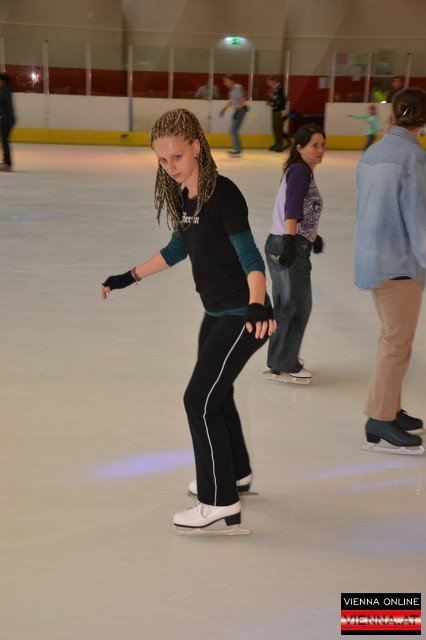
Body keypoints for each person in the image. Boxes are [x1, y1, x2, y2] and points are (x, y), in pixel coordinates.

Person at [101, 108, 275, 534]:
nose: (170, 166)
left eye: (176, 156)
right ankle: (236, 473)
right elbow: (177, 250)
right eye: (162, 160)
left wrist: (257, 305)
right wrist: (129, 276)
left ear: (196, 147)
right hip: (215, 314)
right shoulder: (186, 198)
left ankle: (219, 501)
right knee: (218, 393)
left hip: (243, 315)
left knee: (199, 400)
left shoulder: (223, 195)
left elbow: (251, 258)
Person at [354, 88, 426, 454]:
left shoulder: (373, 153)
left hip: (373, 260)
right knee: (396, 344)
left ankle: (391, 410)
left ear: (393, 116)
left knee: (394, 339)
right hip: (399, 264)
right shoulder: (413, 157)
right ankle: (379, 419)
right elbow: (419, 218)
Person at [264, 124, 325, 385]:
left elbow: (295, 208)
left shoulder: (297, 170)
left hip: (283, 241)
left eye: (322, 145)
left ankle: (280, 360)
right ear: (299, 148)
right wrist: (291, 241)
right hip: (287, 244)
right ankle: (286, 364)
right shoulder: (300, 170)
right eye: (314, 145)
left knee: (287, 305)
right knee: (297, 305)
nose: (320, 150)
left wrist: (312, 236)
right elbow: (291, 209)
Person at [219, 75, 248, 157]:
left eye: (226, 81)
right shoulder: (231, 89)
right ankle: (237, 149)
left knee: (233, 130)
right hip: (238, 110)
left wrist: (239, 110)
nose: (225, 83)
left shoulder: (237, 87)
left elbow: (241, 99)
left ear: (231, 80)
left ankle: (237, 150)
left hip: (240, 110)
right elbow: (231, 100)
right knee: (233, 130)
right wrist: (224, 109)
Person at [266, 75, 290, 152]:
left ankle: (280, 145)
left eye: (269, 83)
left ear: (273, 81)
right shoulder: (274, 89)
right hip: (275, 110)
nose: (269, 84)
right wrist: (271, 98)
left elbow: (281, 100)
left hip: (279, 111)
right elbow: (275, 100)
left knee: (278, 128)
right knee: (275, 128)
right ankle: (277, 143)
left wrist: (282, 110)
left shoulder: (279, 88)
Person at [0, 73, 16, 171]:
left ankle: (7, 163)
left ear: (3, 81)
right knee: (5, 141)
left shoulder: (5, 90)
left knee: (5, 141)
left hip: (6, 119)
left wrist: (9, 118)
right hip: (6, 118)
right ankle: (6, 162)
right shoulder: (5, 89)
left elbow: (8, 105)